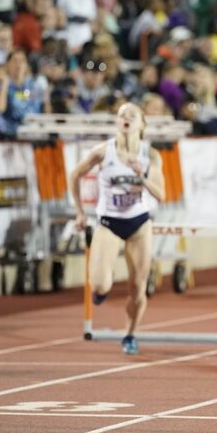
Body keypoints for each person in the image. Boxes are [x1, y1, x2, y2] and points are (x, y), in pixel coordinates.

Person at [69, 102, 166, 355]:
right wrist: (79, 212)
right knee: (100, 285)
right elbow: (74, 175)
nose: (126, 118)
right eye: (122, 114)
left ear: (142, 124)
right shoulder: (103, 152)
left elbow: (162, 194)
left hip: (139, 223)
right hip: (109, 223)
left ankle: (130, 334)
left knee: (138, 287)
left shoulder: (151, 155)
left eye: (132, 115)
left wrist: (142, 177)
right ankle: (101, 292)